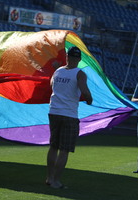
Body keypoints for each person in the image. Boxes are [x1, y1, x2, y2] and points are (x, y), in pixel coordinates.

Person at [46, 46, 93, 188]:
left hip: (54, 112)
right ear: (79, 59)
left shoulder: (58, 71)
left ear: (67, 57)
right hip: (69, 114)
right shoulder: (80, 73)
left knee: (53, 147)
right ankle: (56, 180)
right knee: (64, 149)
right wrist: (90, 99)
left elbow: (51, 85)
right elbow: (85, 91)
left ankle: (49, 177)